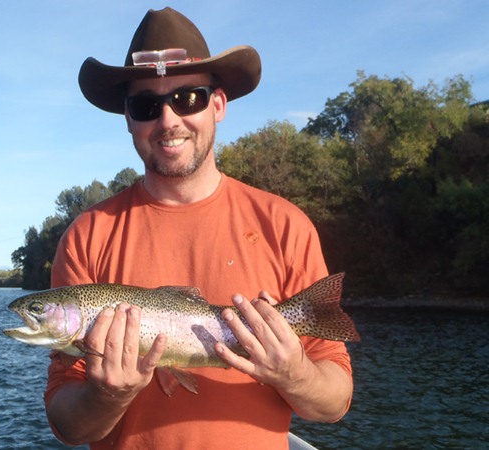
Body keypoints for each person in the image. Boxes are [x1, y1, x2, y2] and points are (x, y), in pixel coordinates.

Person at [45, 7, 353, 449]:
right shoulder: (86, 236)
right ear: (128, 119)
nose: (168, 120)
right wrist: (107, 394)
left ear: (219, 105)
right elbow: (69, 425)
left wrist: (295, 372)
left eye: (188, 97)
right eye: (146, 104)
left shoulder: (286, 225)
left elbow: (335, 401)